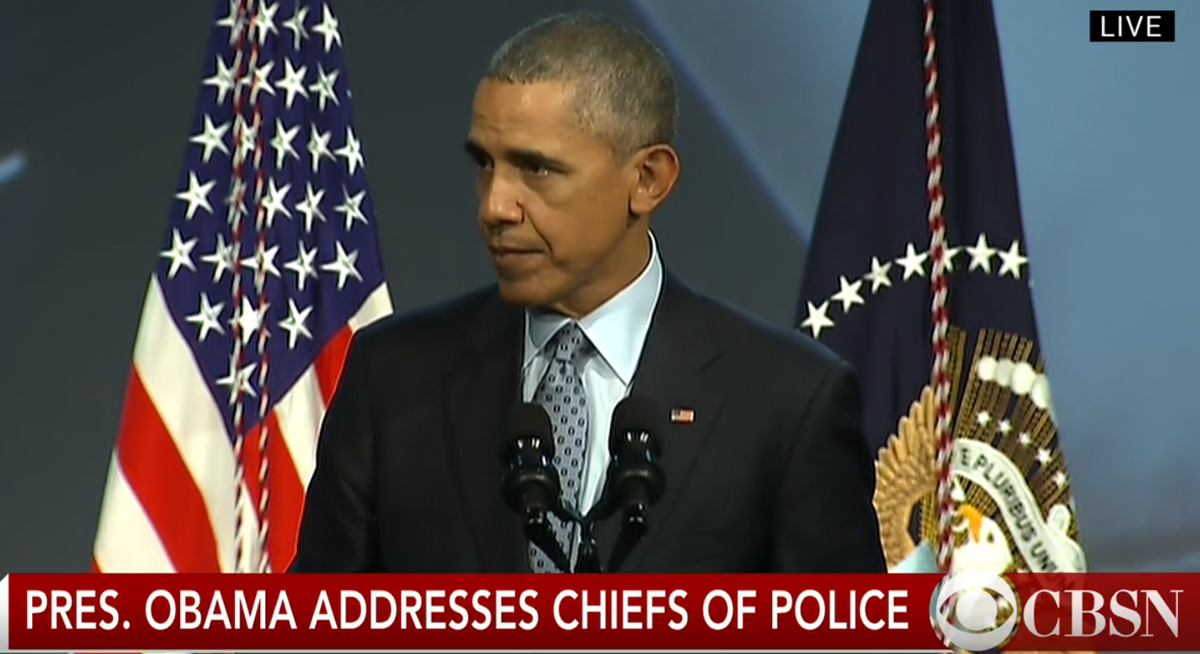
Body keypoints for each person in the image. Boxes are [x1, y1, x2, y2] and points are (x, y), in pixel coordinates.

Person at [291, 11, 886, 574]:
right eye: (485, 165)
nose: (495, 206)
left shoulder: (789, 403)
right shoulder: (393, 378)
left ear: (647, 180)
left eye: (536, 169)